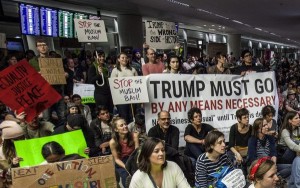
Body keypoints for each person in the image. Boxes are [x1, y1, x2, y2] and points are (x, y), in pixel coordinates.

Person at [29, 38, 66, 127]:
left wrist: (64, 74)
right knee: (46, 117)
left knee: (63, 116)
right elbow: (30, 78)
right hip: (43, 94)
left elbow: (61, 73)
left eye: (44, 45)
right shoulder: (32, 61)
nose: (42, 47)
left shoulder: (55, 60)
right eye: (40, 45)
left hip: (57, 91)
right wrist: (37, 75)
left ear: (48, 47)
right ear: (37, 48)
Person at [109, 117, 139, 187]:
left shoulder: (134, 135)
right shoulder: (112, 142)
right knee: (126, 179)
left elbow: (137, 153)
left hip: (133, 159)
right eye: (121, 125)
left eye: (125, 124)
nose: (125, 126)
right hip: (122, 163)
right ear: (116, 129)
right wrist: (126, 167)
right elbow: (116, 159)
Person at [110, 52, 138, 123]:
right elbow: (112, 86)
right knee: (124, 116)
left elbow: (138, 82)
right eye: (122, 58)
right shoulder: (115, 70)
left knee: (133, 116)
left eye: (126, 58)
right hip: (121, 99)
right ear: (118, 59)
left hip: (132, 97)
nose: (125, 59)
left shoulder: (133, 69)